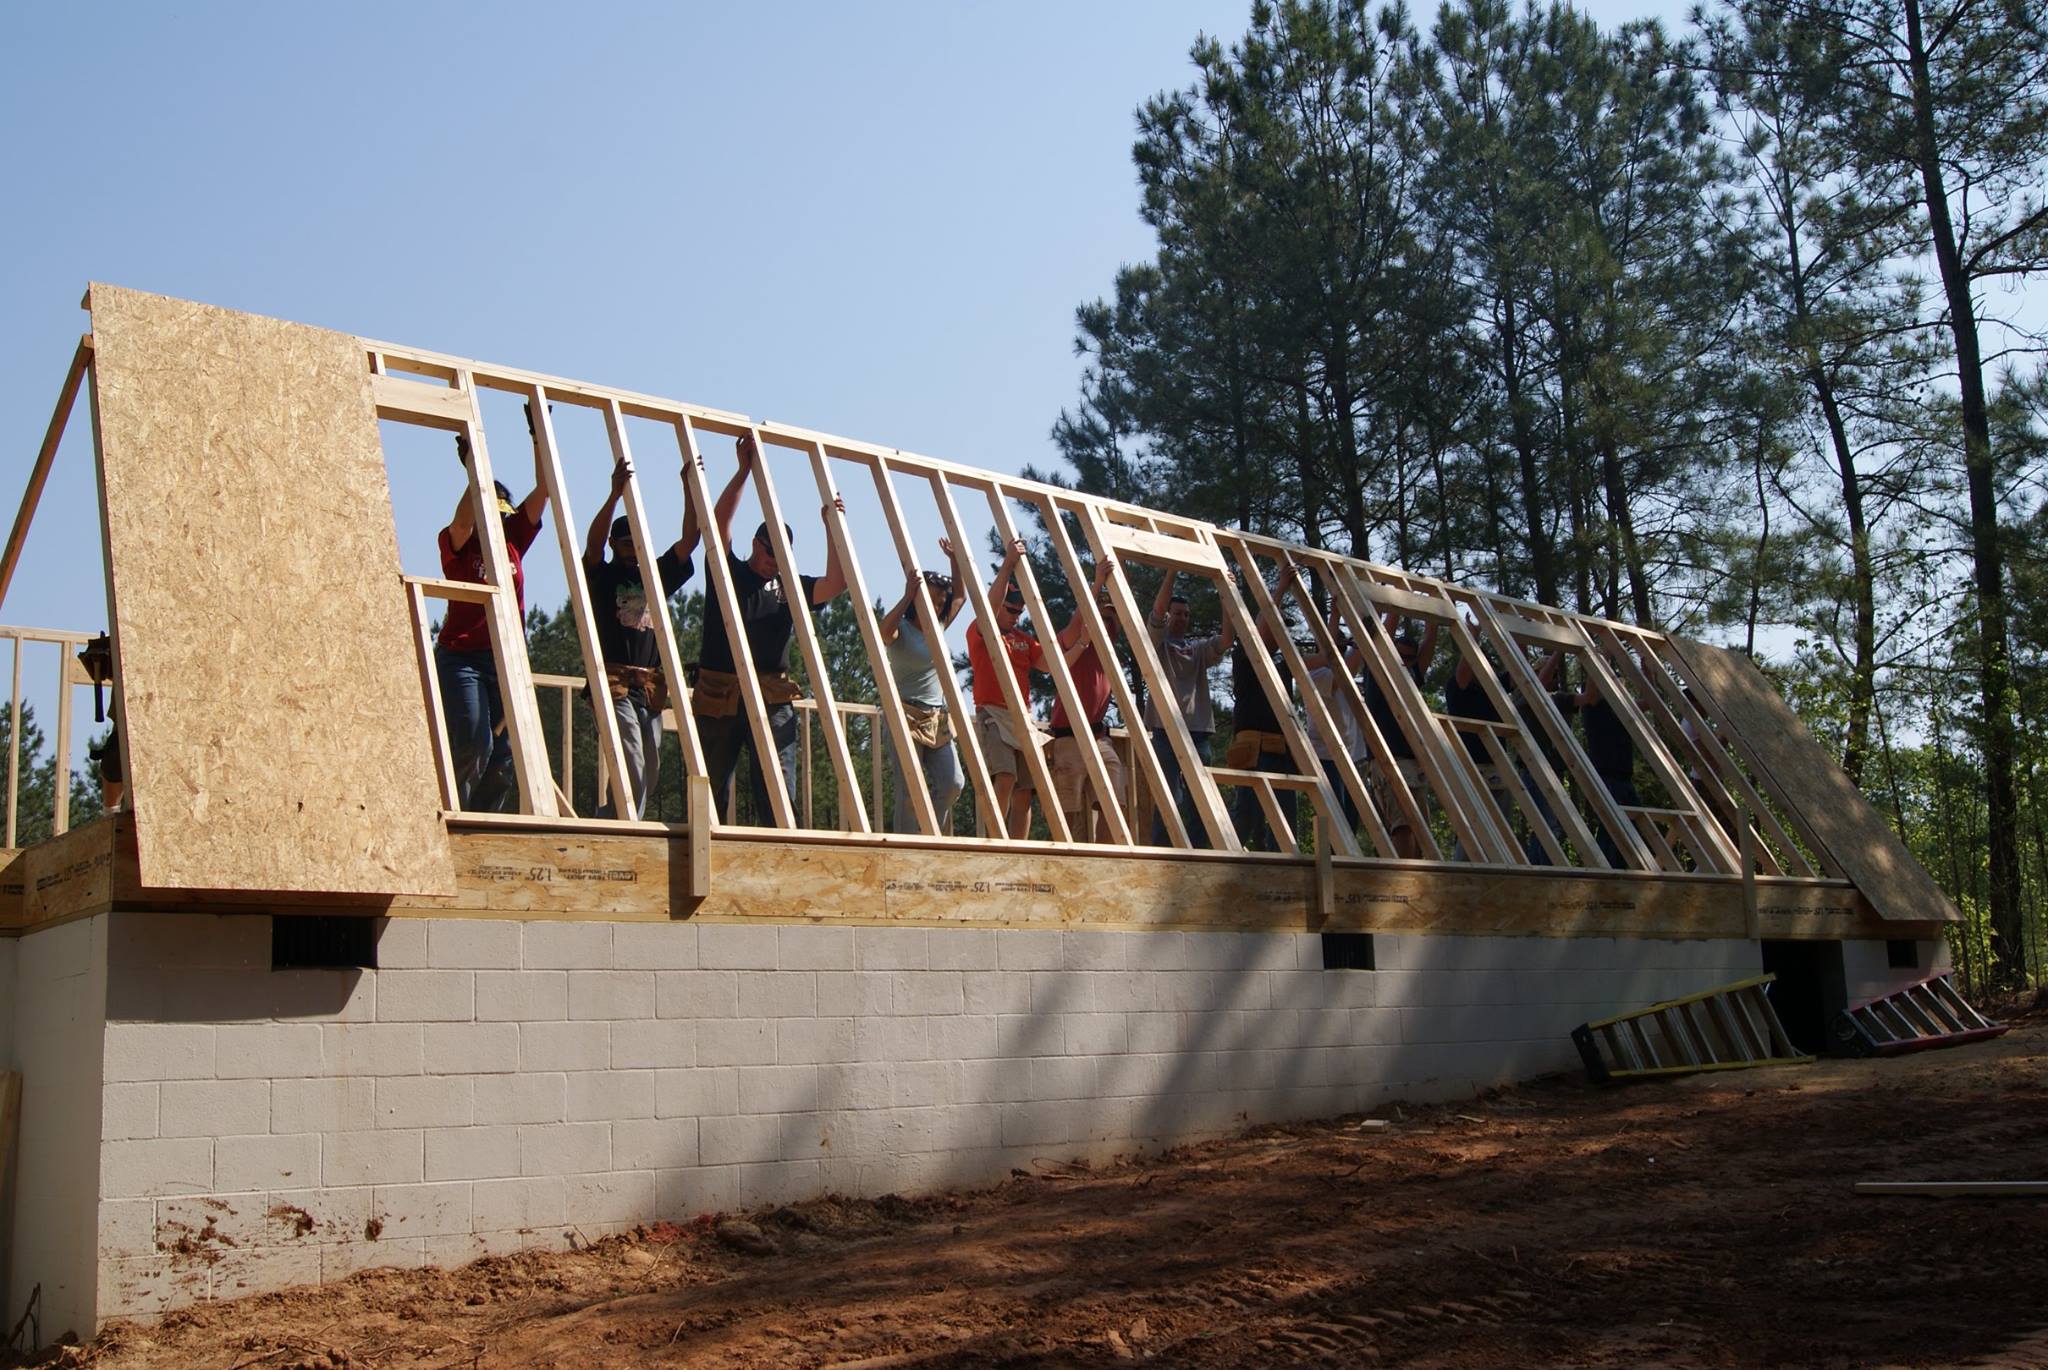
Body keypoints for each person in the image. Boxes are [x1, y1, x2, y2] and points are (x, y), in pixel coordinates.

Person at [692, 433, 848, 825]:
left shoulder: (790, 587)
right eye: (767, 552)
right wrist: (744, 471)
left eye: (781, 557)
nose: (772, 562)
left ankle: (782, 855)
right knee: (709, 789)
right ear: (755, 544)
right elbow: (716, 524)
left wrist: (832, 525)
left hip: (772, 695)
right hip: (721, 691)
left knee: (779, 791)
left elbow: (836, 583)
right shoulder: (729, 572)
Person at [582, 454, 700, 818]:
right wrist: (614, 494)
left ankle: (611, 818)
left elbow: (690, 541)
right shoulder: (603, 577)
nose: (634, 552)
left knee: (649, 765)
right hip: (614, 681)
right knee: (630, 754)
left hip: (648, 686)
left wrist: (688, 487)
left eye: (638, 544)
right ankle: (625, 825)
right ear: (618, 545)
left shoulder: (654, 574)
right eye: (627, 544)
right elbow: (592, 546)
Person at [436, 430, 547, 812]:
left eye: (502, 516)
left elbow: (545, 488)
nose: (496, 524)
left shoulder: (514, 540)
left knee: (504, 757)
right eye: (490, 515)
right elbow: (463, 524)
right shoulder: (460, 547)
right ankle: (457, 814)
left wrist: (536, 434)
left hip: (506, 659)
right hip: (462, 657)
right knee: (474, 742)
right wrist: (474, 470)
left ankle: (484, 824)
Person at [966, 538, 1063, 838]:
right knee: (1005, 777)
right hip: (993, 713)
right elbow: (988, 606)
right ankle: (995, 840)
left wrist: (1081, 631)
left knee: (1025, 792)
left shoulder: (1023, 638)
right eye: (1009, 609)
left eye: (1018, 611)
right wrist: (1008, 564)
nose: (1014, 615)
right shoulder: (981, 630)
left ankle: (1018, 848)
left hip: (1022, 718)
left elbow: (1048, 664)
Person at [878, 538, 970, 834]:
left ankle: (930, 834)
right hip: (904, 715)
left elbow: (960, 598)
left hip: (936, 717)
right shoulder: (902, 630)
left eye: (940, 602)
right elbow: (882, 633)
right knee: (908, 793)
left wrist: (954, 559)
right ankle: (907, 850)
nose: (937, 606)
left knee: (953, 783)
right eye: (930, 600)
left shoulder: (938, 627)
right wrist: (907, 596)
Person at [1142, 570, 1233, 847]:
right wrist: (1170, 571)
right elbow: (1157, 613)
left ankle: (1199, 854)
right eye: (1177, 613)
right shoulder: (1156, 644)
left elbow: (1227, 640)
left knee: (1201, 799)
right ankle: (1163, 854)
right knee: (1169, 798)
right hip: (1165, 731)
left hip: (1198, 734)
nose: (1181, 618)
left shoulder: (1197, 650)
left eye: (1185, 614)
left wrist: (1225, 594)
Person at [1046, 562, 1124, 842]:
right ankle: (1068, 862)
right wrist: (1097, 581)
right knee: (1069, 810)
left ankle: (1107, 859)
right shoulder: (1072, 639)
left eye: (1111, 621)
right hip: (1069, 737)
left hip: (1098, 736)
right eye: (1103, 618)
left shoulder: (1110, 652)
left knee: (1114, 802)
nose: (1108, 625)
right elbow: (1081, 616)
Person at [1359, 614, 1439, 859]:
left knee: (1420, 831)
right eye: (1400, 655)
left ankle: (1413, 883)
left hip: (1413, 761)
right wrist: (1391, 606)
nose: (1404, 661)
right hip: (1388, 758)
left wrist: (1432, 618)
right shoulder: (1378, 668)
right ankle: (1402, 882)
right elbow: (1382, 640)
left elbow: (1427, 646)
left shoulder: (1412, 675)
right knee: (1402, 827)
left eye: (1409, 658)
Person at [1225, 596, 1300, 852]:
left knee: (1286, 821)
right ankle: (1227, 859)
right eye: (1274, 626)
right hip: (1253, 747)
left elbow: (1327, 659)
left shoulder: (1284, 664)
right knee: (1246, 813)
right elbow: (1259, 631)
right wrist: (1278, 590)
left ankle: (1284, 871)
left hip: (1279, 749)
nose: (1280, 633)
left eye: (1283, 628)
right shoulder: (1245, 654)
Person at [1302, 636, 1372, 842]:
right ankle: (1331, 866)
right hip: (1327, 756)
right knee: (1335, 821)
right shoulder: (1316, 674)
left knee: (1350, 822)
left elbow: (1350, 666)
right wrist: (1360, 642)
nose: (1343, 651)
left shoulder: (1342, 671)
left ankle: (1344, 868)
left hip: (1352, 758)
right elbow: (1344, 674)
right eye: (1339, 647)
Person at [1577, 675, 1640, 866]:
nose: (1622, 692)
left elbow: (1648, 703)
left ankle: (1619, 872)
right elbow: (1592, 687)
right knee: (1612, 830)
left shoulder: (1622, 711)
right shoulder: (1593, 706)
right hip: (1606, 776)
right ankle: (1603, 870)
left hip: (1624, 778)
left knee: (1632, 829)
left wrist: (1648, 677)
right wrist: (1602, 654)